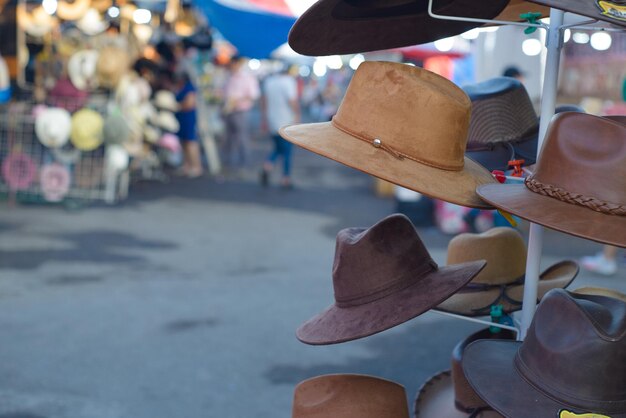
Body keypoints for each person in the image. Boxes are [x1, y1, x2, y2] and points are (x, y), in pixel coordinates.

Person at [260, 65, 300, 189]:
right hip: (286, 121)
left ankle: (267, 166)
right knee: (287, 151)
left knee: (278, 148)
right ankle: (285, 178)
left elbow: (264, 101)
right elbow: (292, 101)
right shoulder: (289, 82)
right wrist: (298, 115)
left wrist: (265, 119)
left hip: (272, 120)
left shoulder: (269, 81)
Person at [222, 55, 260, 176]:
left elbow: (253, 95)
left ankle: (244, 163)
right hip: (229, 110)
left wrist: (237, 99)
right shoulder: (228, 77)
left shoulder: (247, 78)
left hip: (241, 110)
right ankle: (227, 162)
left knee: (242, 138)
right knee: (228, 138)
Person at [175, 71, 203, 177]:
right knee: (184, 142)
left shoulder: (189, 88)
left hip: (188, 118)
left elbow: (189, 104)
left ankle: (196, 166)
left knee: (190, 142)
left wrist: (177, 106)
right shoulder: (181, 87)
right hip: (181, 118)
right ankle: (187, 165)